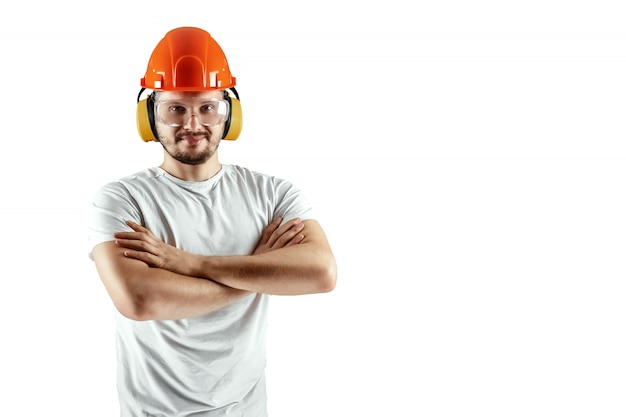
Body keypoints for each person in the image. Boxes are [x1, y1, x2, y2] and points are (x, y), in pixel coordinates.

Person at [88, 26, 337, 417]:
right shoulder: (121, 199)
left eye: (208, 107)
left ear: (230, 114)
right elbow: (139, 300)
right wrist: (257, 275)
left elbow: (321, 273)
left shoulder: (273, 194)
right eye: (175, 108)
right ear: (149, 116)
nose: (192, 124)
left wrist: (189, 264)